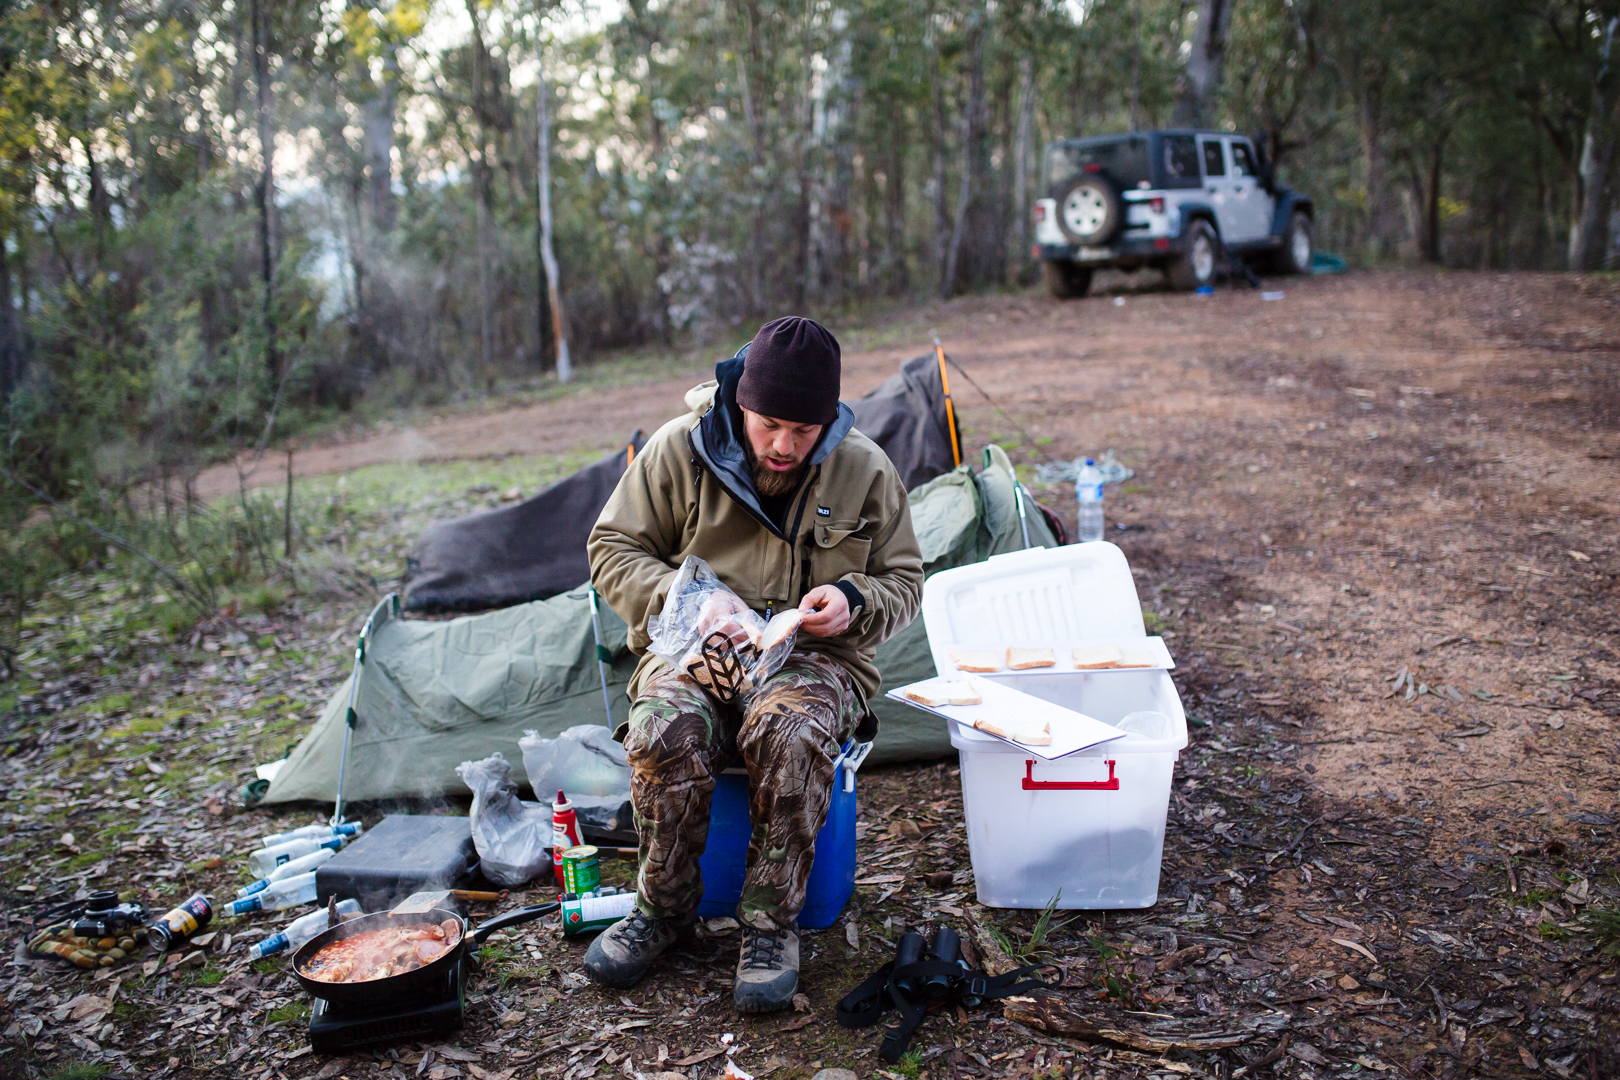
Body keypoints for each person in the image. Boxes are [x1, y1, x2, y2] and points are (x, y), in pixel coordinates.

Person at [585, 316, 924, 1012]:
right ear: (742, 402)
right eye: (770, 425)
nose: (784, 445)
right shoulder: (678, 451)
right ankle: (663, 910)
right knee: (660, 731)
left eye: (804, 432)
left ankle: (770, 925)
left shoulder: (864, 468)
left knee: (792, 733)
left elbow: (907, 582)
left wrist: (853, 600)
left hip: (811, 659)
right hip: (695, 647)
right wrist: (682, 597)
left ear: (827, 419)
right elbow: (611, 548)